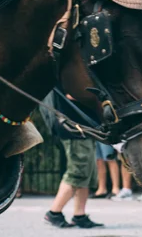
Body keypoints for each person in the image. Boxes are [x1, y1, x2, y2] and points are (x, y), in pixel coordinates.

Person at [42, 92, 103, 229]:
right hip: (75, 129)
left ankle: (79, 215)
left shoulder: (71, 72)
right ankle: (54, 212)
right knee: (77, 172)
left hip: (83, 128)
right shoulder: (67, 74)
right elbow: (73, 95)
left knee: (86, 174)